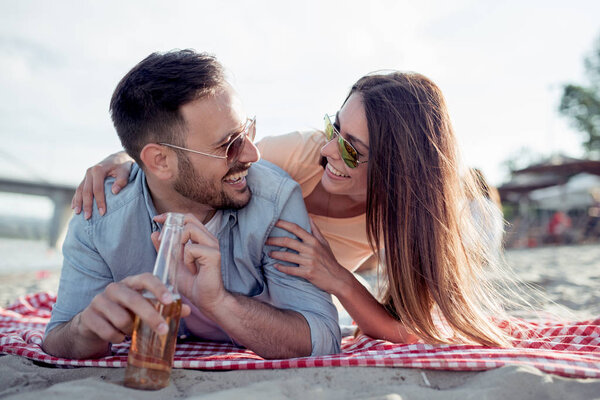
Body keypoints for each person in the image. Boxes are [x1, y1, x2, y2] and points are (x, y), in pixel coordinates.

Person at [74, 71, 518, 347]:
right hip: (224, 293)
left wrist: (339, 278)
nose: (329, 150)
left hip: (284, 312)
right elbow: (203, 162)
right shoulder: (298, 155)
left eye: (352, 150)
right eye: (335, 128)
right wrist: (122, 160)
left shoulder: (410, 219)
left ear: (399, 171)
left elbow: (407, 328)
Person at [42, 50, 341, 361]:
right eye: (228, 145)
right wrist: (84, 330)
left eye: (247, 131)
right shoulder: (98, 214)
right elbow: (58, 338)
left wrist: (219, 302)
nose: (252, 154)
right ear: (160, 161)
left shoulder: (274, 199)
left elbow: (323, 337)